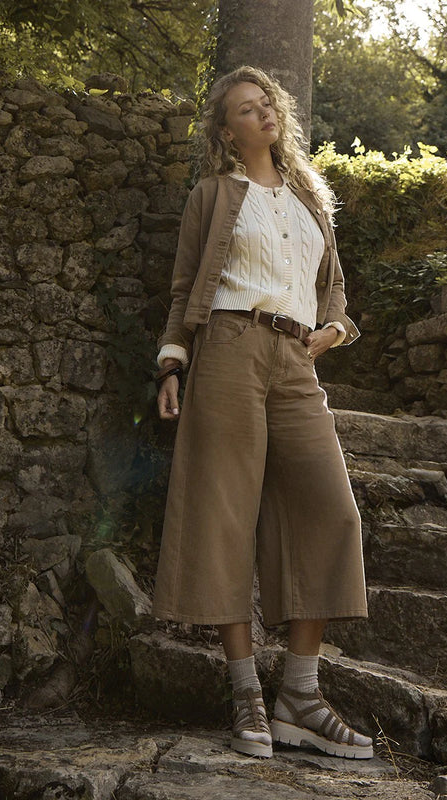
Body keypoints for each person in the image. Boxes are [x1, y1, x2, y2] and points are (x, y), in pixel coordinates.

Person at [152, 65, 372, 760]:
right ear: (227, 132)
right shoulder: (213, 196)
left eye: (267, 103)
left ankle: (298, 695)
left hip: (294, 362)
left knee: (330, 511)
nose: (263, 114)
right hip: (225, 351)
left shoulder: (311, 196)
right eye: (246, 110)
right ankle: (246, 689)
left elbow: (331, 290)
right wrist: (171, 362)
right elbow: (184, 287)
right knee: (222, 516)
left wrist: (333, 331)